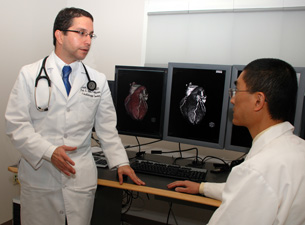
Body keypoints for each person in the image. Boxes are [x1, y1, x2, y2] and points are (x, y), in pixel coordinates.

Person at [5, 7, 145, 225]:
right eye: (81, 33)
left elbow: (107, 128)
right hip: (41, 173)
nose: (88, 41)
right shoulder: (29, 74)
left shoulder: (96, 81)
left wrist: (120, 163)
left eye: (91, 35)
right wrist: (49, 152)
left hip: (79, 176)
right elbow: (16, 125)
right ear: (59, 35)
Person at [167, 58, 305, 225]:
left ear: (258, 101)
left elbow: (252, 183)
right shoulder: (297, 150)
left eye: (237, 91)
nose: (232, 100)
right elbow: (247, 189)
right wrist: (202, 187)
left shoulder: (256, 170)